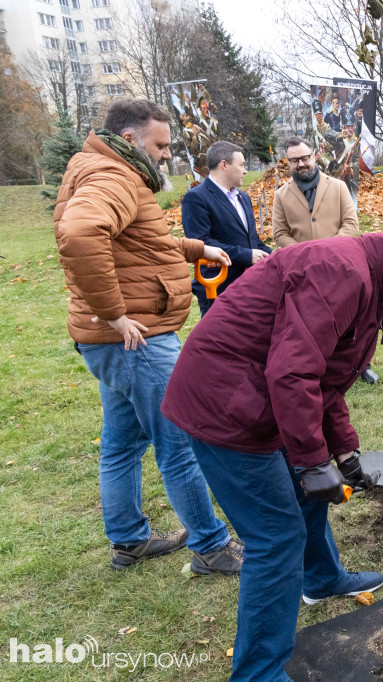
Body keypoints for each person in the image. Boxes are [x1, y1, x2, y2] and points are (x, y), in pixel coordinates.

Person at [161, 225, 383, 680]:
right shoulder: (344, 273)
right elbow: (294, 372)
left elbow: (327, 374)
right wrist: (313, 461)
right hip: (227, 404)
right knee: (276, 536)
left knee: (308, 492)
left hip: (259, 396)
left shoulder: (367, 283)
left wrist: (344, 453)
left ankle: (321, 578)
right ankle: (259, 672)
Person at [53, 98, 242, 574]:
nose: (164, 154)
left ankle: (129, 540)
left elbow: (142, 240)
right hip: (136, 340)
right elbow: (80, 234)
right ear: (132, 138)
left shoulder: (104, 167)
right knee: (178, 442)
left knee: (121, 444)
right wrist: (114, 314)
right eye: (160, 145)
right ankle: (211, 547)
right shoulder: (113, 175)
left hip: (115, 343)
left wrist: (200, 247)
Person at [273, 136, 377, 384]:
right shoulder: (281, 195)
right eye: (294, 160)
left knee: (352, 320)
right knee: (313, 323)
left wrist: (332, 254)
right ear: (288, 163)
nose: (301, 164)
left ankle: (362, 365)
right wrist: (304, 258)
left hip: (341, 268)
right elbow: (280, 234)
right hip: (304, 273)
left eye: (305, 158)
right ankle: (321, 365)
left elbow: (351, 224)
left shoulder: (339, 187)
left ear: (315, 156)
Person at [182, 141, 273, 316]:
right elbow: (201, 243)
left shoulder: (243, 198)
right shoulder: (196, 198)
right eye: (241, 165)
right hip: (218, 288)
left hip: (251, 287)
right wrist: (246, 256)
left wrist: (273, 254)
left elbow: (251, 240)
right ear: (224, 165)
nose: (245, 170)